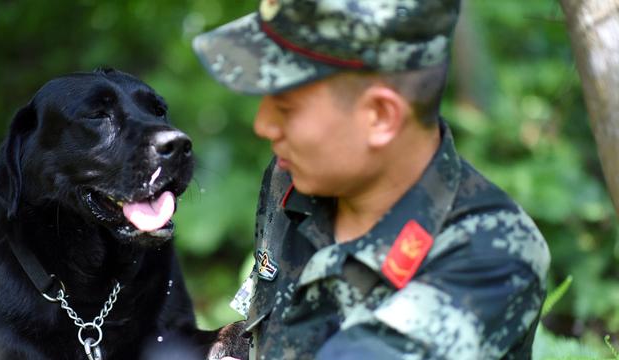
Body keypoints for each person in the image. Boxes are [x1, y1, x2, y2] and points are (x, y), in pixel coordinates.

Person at [192, 0, 551, 359]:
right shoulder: (295, 178)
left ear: (380, 116)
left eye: (286, 107)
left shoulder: (492, 255)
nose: (263, 124)